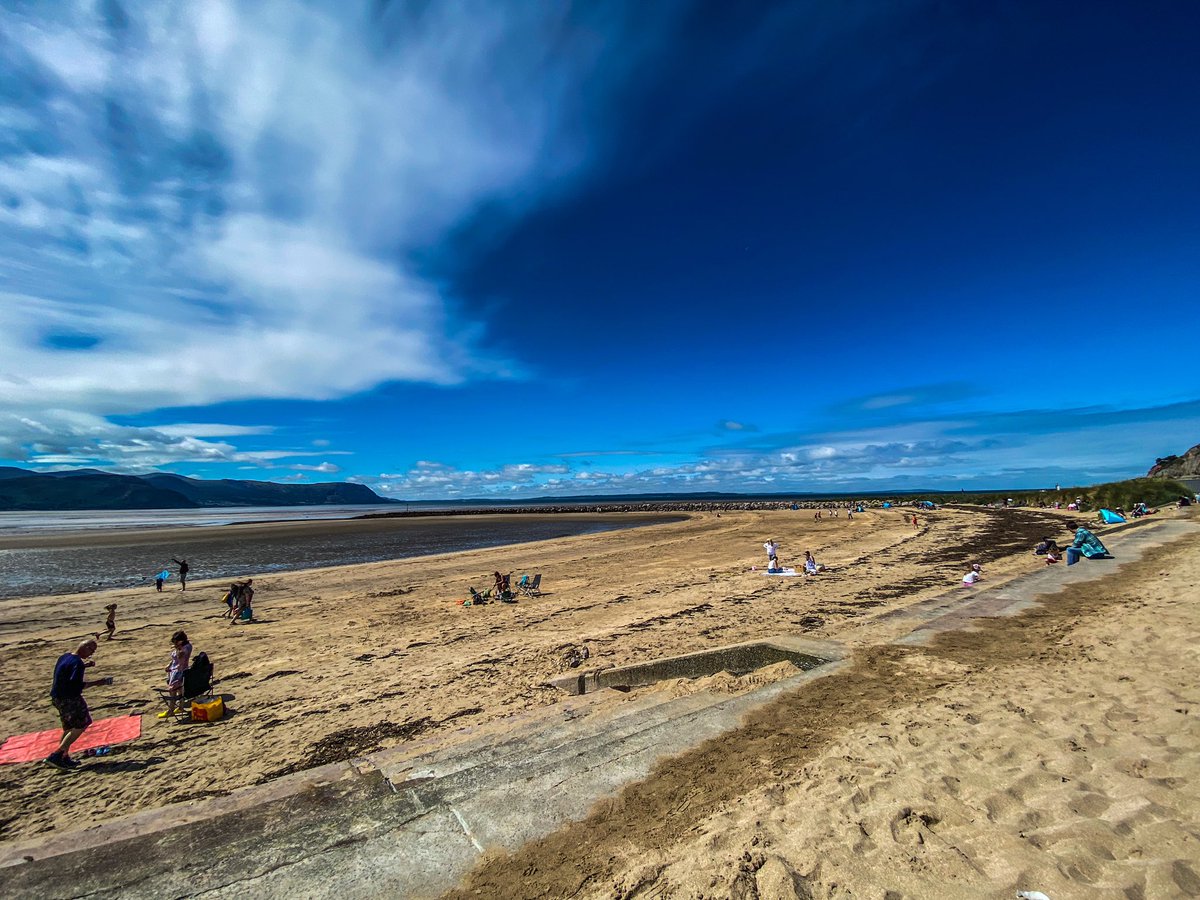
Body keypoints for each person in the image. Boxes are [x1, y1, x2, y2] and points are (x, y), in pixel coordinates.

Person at [46, 639, 112, 769]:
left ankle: (64, 756)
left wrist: (85, 666)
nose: (91, 654)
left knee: (69, 728)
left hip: (57, 697)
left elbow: (66, 669)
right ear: (85, 647)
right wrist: (99, 682)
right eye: (91, 651)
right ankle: (57, 754)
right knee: (82, 724)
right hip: (70, 698)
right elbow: (77, 685)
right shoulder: (77, 664)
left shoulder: (65, 657)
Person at [159, 631, 192, 718]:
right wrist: (169, 665)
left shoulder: (183, 649)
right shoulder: (187, 646)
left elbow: (180, 660)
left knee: (172, 690)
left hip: (178, 672)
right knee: (179, 690)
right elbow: (174, 660)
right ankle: (181, 707)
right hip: (176, 670)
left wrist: (178, 648)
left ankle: (171, 710)